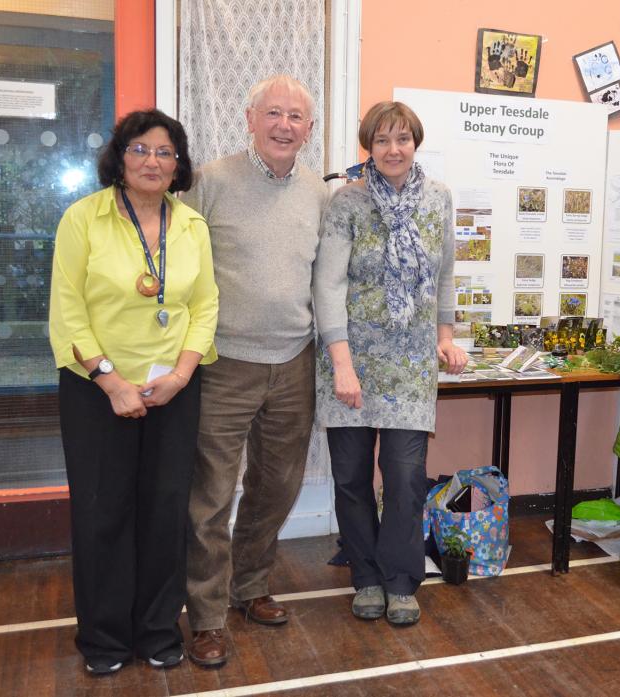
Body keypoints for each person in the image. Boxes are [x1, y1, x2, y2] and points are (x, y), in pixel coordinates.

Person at [49, 109, 218, 675]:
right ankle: (102, 639)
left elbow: (204, 305)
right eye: (141, 150)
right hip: (97, 392)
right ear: (120, 157)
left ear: (179, 165)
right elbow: (68, 308)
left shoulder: (191, 225)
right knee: (103, 513)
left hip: (174, 387)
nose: (153, 161)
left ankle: (156, 630)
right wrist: (111, 381)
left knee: (166, 510)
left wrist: (181, 374)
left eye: (165, 152)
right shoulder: (84, 218)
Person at [182, 74, 327, 667]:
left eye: (296, 117)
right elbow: (177, 263)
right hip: (224, 363)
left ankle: (250, 587)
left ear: (309, 130)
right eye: (273, 113)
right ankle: (208, 616)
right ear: (250, 118)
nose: (284, 125)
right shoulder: (209, 182)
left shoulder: (319, 191)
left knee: (277, 486)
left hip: (295, 361)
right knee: (210, 496)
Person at [313, 101, 467, 626]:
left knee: (404, 478)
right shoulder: (347, 203)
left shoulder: (439, 199)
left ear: (415, 142)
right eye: (382, 140)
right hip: (349, 363)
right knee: (352, 479)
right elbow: (328, 285)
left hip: (411, 367)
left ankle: (402, 581)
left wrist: (445, 337)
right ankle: (366, 577)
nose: (393, 149)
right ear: (369, 147)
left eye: (402, 139)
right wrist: (341, 363)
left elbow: (445, 275)